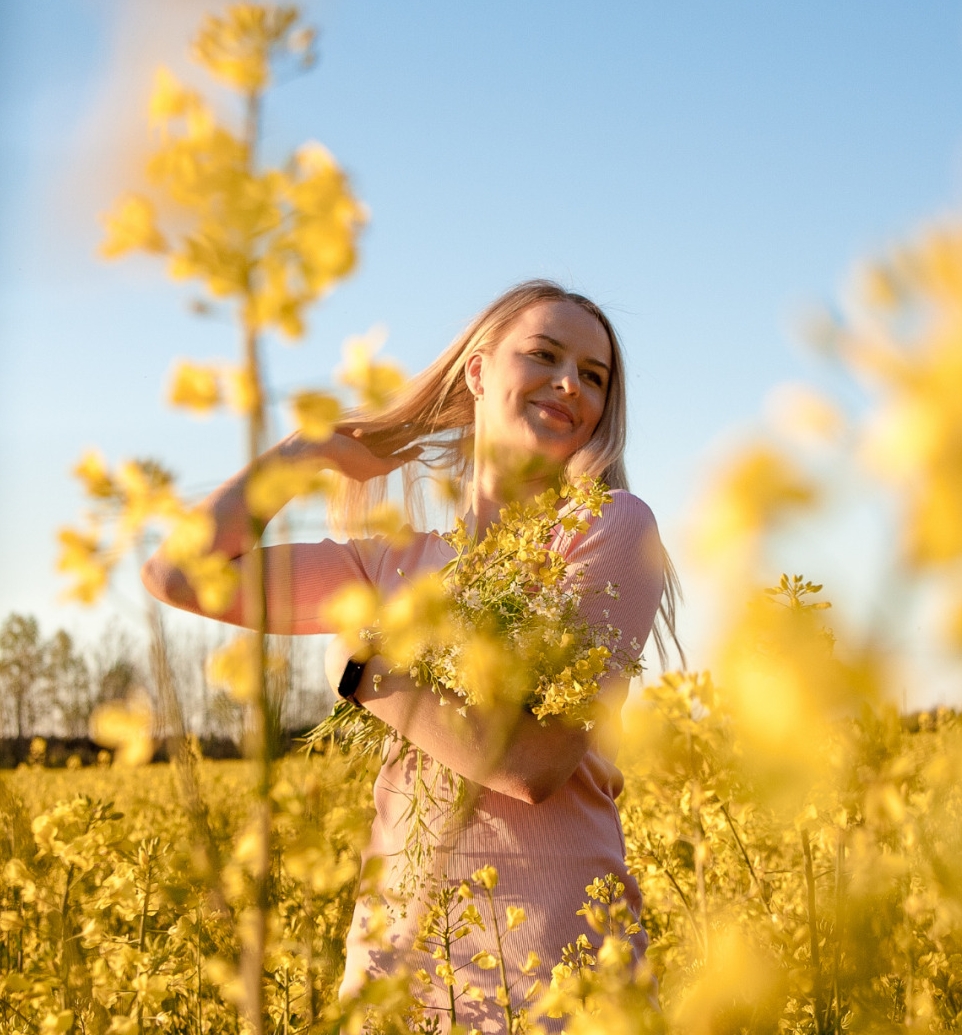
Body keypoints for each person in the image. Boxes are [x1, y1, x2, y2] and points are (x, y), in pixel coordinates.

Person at [141, 280, 677, 1032]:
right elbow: (177, 574)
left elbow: (535, 762)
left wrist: (366, 673)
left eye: (594, 376)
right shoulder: (392, 562)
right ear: (479, 372)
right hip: (397, 964)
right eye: (545, 356)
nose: (570, 385)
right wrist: (305, 452)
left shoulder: (609, 528)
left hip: (558, 965)